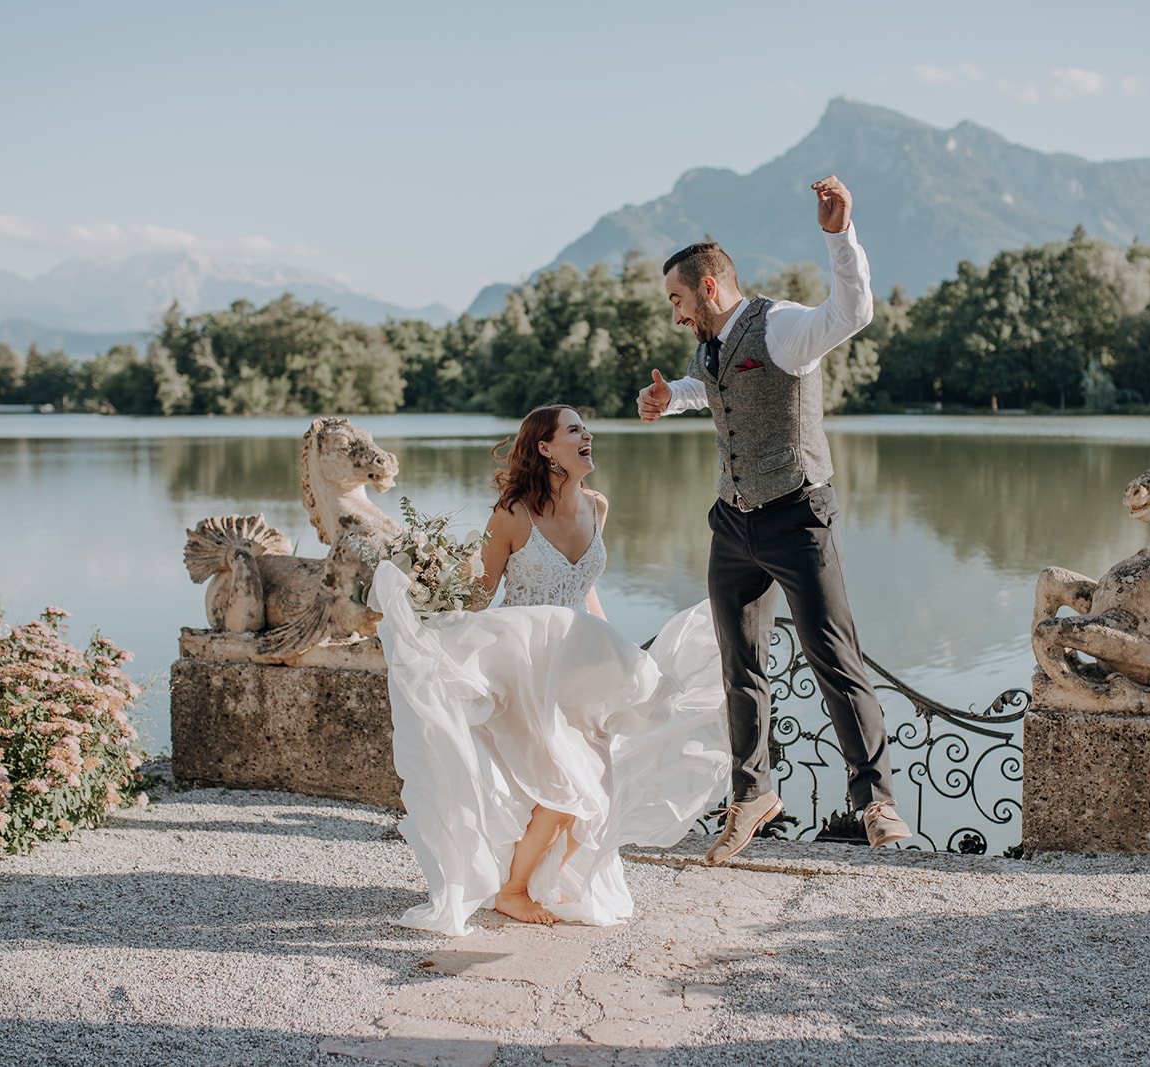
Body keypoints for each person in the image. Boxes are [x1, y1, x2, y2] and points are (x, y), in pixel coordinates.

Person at [369, 404, 729, 933]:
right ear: (545, 447)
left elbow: (583, 589)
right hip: (527, 668)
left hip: (583, 666)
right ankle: (513, 892)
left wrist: (619, 652)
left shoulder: (597, 506)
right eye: (575, 430)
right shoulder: (512, 514)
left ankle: (531, 881)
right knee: (567, 787)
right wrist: (428, 595)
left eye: (587, 428)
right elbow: (480, 596)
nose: (589, 435)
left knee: (599, 793)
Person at [637, 175, 911, 864]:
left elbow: (851, 313)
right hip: (733, 524)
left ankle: (874, 798)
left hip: (798, 516)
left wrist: (839, 236)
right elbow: (715, 385)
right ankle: (751, 794)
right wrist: (672, 398)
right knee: (740, 666)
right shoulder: (712, 343)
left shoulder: (782, 325)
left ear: (707, 287)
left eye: (676, 299)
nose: (674, 316)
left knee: (833, 657)